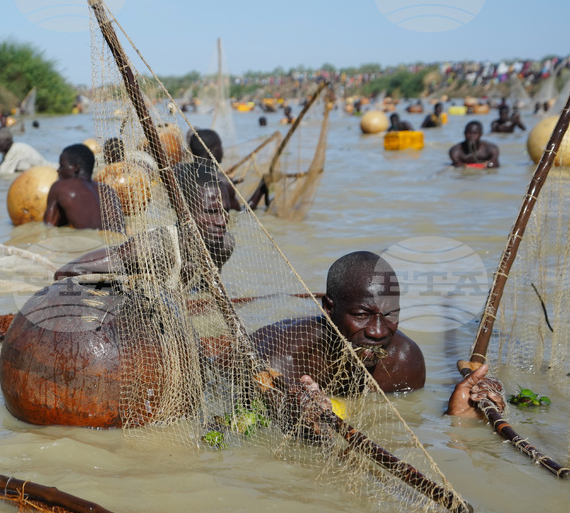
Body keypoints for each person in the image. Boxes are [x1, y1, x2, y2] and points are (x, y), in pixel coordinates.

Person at [252, 251, 426, 394]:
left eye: (390, 314)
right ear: (329, 308)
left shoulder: (406, 362)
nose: (378, 332)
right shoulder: (283, 359)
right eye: (361, 315)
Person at [55, 166, 234, 285]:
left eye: (225, 211)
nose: (222, 221)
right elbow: (67, 272)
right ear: (184, 213)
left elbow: (204, 287)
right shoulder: (151, 248)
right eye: (211, 212)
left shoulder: (224, 245)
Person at [43, 143, 124, 231]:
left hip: (90, 242)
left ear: (75, 168)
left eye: (62, 166)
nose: (58, 170)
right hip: (119, 241)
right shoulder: (108, 190)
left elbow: (48, 228)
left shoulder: (60, 187)